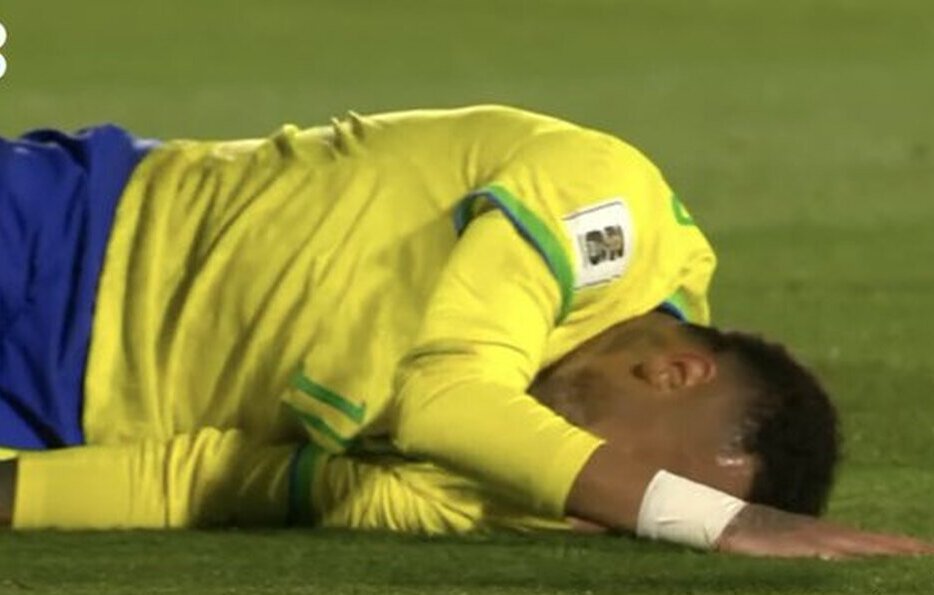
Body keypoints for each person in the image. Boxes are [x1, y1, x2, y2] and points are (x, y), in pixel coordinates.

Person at [0, 105, 930, 559]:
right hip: (73, 231)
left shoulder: (538, 489)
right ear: (675, 372)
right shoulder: (614, 207)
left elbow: (234, 478)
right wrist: (713, 521)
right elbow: (446, 395)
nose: (604, 504)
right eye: (641, 482)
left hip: (57, 417)